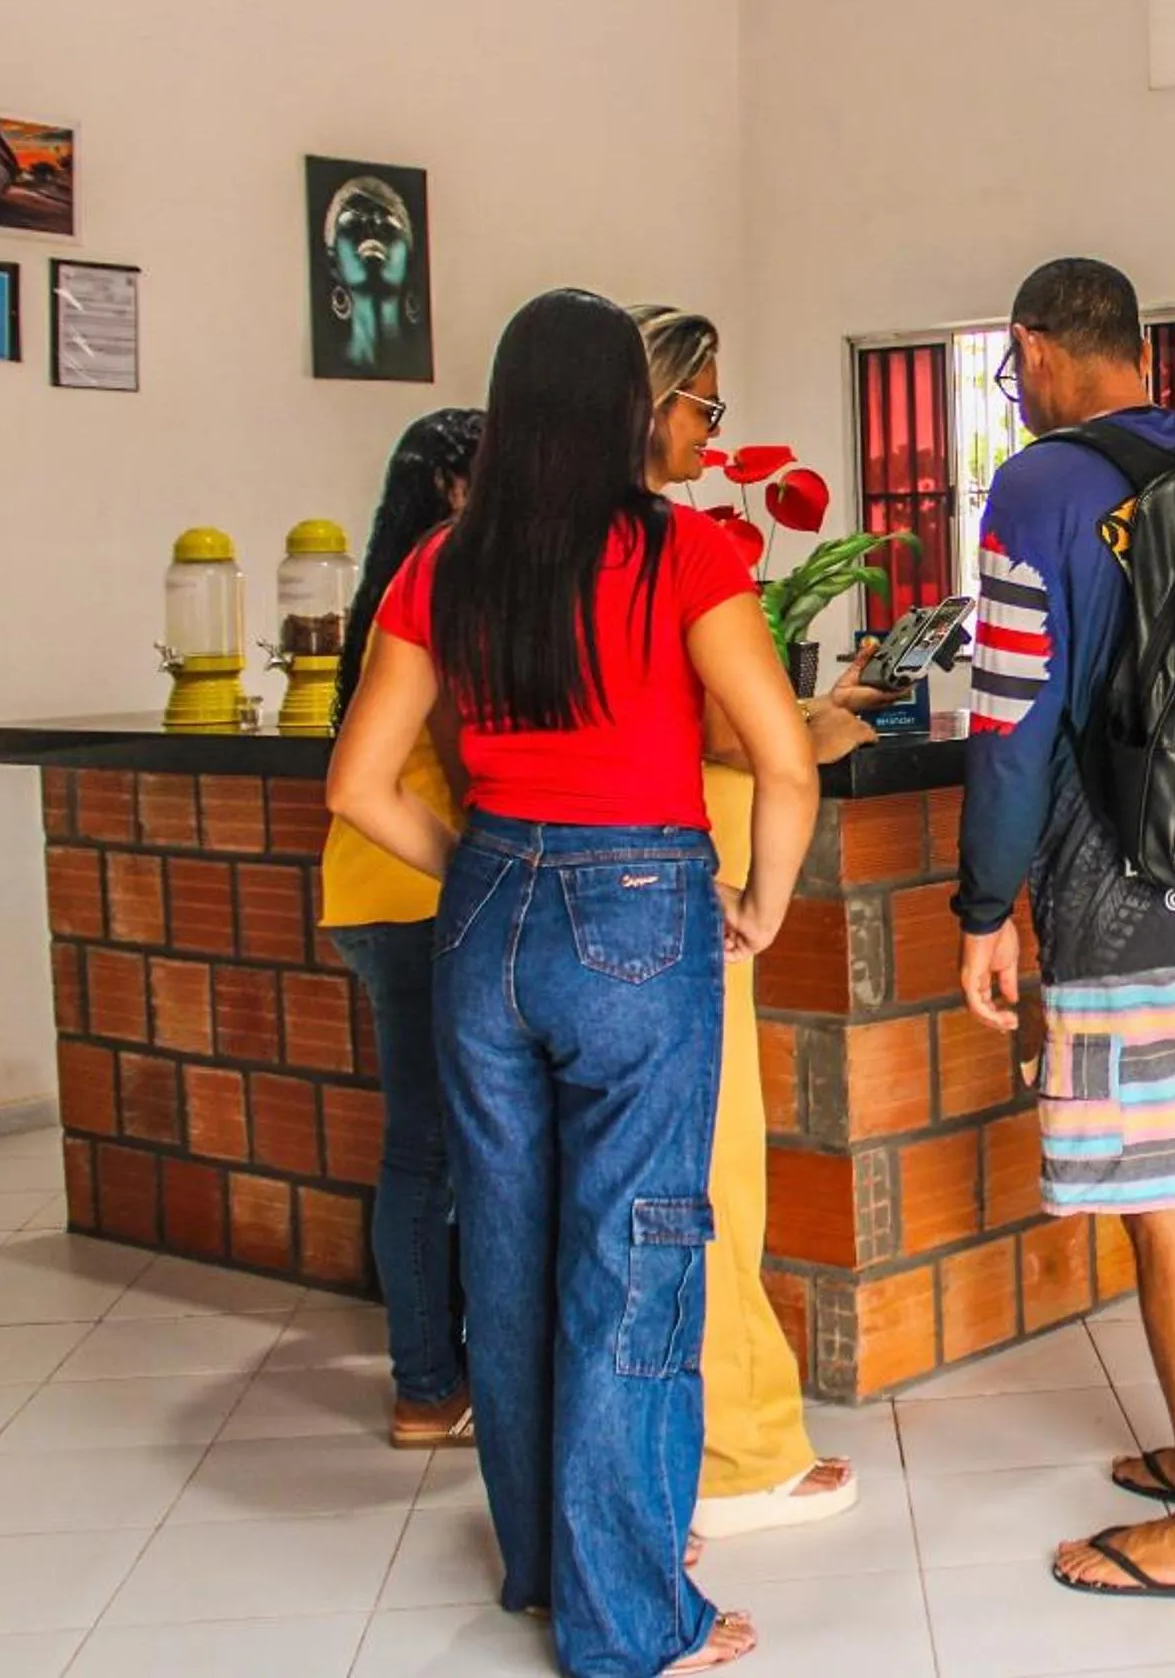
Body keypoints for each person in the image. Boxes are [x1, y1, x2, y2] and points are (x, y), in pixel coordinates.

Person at [330, 288, 815, 1675]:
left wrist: (485, 865)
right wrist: (760, 904)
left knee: (512, 1247)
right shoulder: (682, 551)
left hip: (486, 913)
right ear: (622, 408)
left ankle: (549, 1569)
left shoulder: (443, 562)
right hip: (640, 913)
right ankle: (632, 1622)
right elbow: (781, 759)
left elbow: (359, 786)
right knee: (638, 1254)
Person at [954, 258, 1175, 1605]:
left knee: (1164, 1198)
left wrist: (987, 904)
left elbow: (1008, 723)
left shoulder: (1039, 485)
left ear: (1036, 346)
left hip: (1123, 891)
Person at [631, 304, 873, 1538]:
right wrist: (766, 903)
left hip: (526, 899)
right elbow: (755, 746)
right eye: (704, 407)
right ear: (651, 405)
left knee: (590, 1195)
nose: (714, 429)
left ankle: (611, 1476)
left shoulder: (485, 549)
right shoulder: (677, 551)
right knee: (708, 1176)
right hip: (683, 894)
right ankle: (735, 1452)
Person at [320, 408, 484, 1452]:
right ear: (455, 489)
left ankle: (438, 1369)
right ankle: (428, 1383)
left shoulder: (385, 589)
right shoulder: (440, 585)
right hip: (424, 887)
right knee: (429, 1150)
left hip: (374, 894)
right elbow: (468, 756)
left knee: (427, 1146)